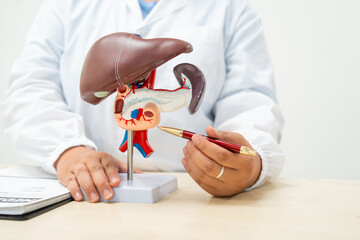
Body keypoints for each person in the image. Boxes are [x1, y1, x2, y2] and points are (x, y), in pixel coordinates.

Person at [1, 0, 285, 202]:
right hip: (86, 195)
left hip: (191, 197)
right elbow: (30, 87)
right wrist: (69, 151)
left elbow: (251, 100)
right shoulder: (65, 6)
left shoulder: (232, 9)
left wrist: (247, 163)